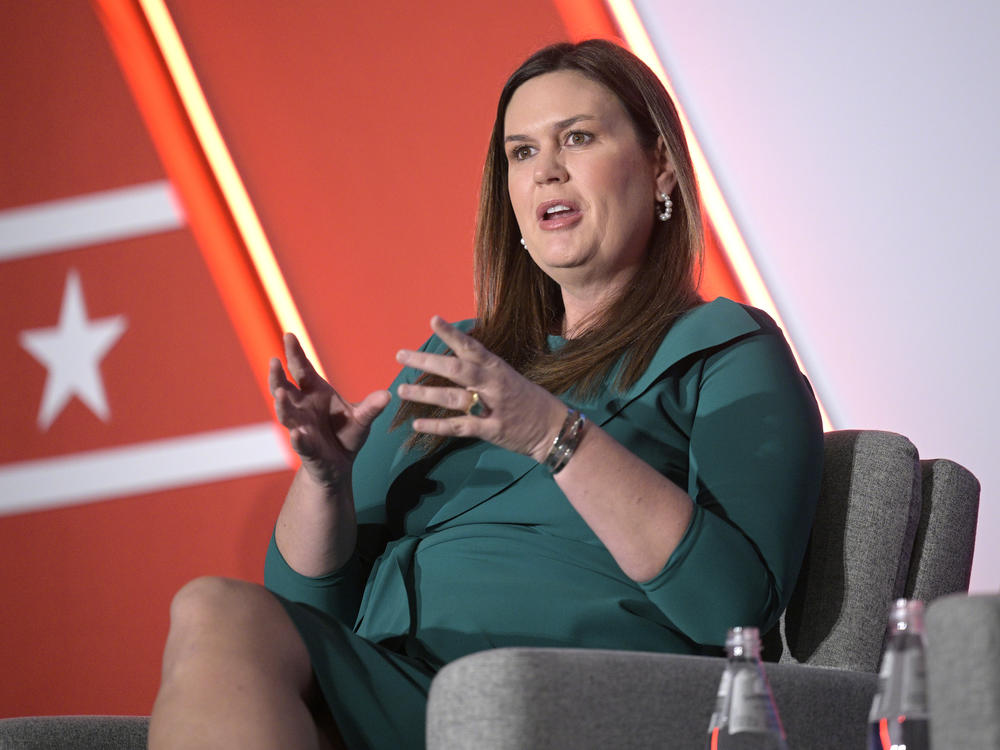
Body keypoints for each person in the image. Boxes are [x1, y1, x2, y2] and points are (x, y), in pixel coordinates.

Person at [148, 39, 823, 750]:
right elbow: (305, 607)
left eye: (579, 138)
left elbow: (730, 608)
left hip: (569, 701)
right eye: (522, 153)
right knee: (213, 609)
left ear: (660, 164)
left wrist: (551, 436)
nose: (547, 172)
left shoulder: (723, 349)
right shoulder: (463, 359)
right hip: (403, 690)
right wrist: (325, 482)